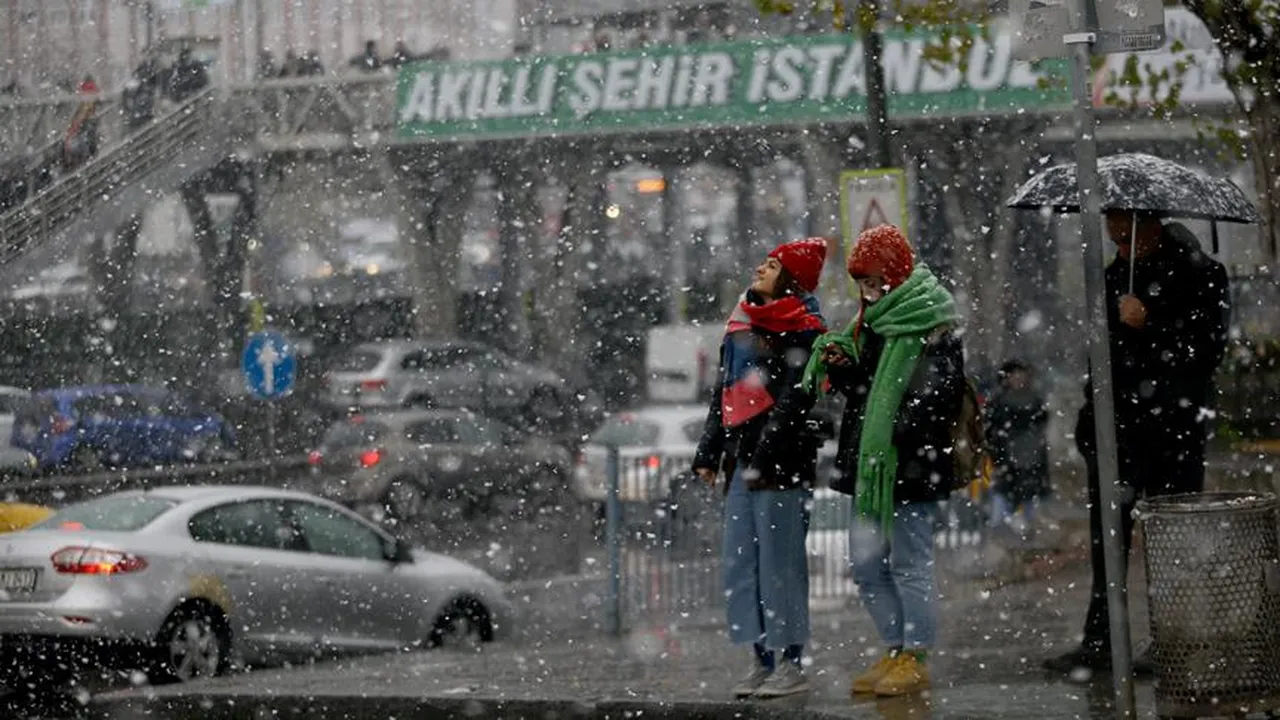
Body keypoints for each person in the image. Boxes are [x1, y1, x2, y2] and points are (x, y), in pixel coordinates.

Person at [1043, 212, 1230, 675]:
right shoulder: (1112, 276)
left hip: (1174, 431)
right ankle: (1101, 640)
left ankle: (1172, 639)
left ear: (1152, 226)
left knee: (1171, 543)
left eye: (1128, 237)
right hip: (1117, 433)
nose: (1120, 246)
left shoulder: (1202, 274)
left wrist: (1150, 323)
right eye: (1114, 237)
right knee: (1108, 540)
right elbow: (1103, 355)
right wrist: (1090, 421)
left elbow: (1206, 351)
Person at [802, 224, 964, 697]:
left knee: (911, 562)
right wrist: (844, 368)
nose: (868, 292)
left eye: (875, 281)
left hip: (911, 465)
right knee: (867, 563)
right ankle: (895, 648)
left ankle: (916, 654)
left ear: (895, 274)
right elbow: (865, 393)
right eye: (862, 284)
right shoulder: (871, 323)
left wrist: (895, 429)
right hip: (871, 466)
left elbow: (939, 397)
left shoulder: (933, 320)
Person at [693, 238, 829, 699]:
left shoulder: (805, 329)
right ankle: (760, 658)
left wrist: (766, 446)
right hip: (741, 464)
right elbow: (723, 393)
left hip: (781, 466)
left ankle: (790, 659)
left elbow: (798, 396)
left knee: (780, 564)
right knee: (740, 564)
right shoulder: (741, 323)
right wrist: (709, 453)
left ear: (791, 278)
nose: (760, 268)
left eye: (772, 265)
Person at [986, 359, 1050, 531]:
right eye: (1015, 376)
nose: (1019, 380)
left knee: (1026, 508)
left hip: (1028, 461)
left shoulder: (1033, 399)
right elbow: (992, 432)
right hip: (1007, 460)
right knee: (1003, 508)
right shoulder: (1000, 401)